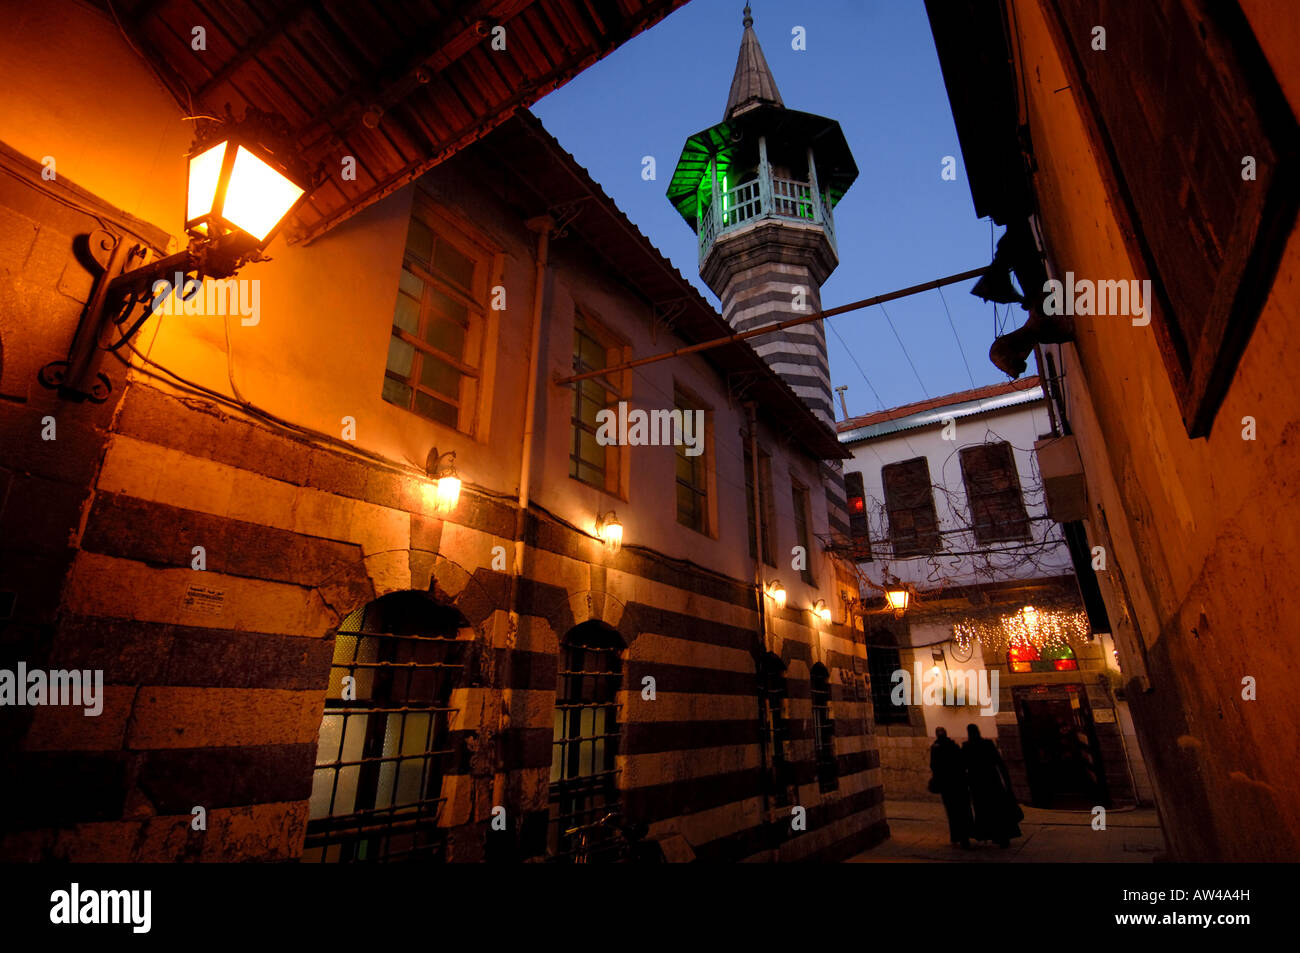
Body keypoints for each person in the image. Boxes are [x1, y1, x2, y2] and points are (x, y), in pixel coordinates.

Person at [962, 723, 1023, 848]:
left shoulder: (967, 747)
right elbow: (999, 763)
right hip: (992, 781)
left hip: (977, 784)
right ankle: (1002, 836)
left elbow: (963, 767)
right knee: (997, 809)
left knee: (984, 810)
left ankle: (988, 834)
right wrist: (1007, 782)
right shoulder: (987, 744)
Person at [929, 727, 973, 848]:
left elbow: (933, 765)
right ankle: (965, 836)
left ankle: (956, 835)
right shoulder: (954, 746)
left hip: (947, 785)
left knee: (952, 811)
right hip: (959, 783)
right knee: (963, 810)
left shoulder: (936, 748)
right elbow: (962, 763)